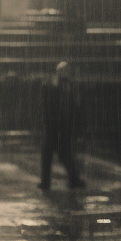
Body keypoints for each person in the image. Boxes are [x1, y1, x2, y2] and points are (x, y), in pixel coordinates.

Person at [39, 60, 84, 190]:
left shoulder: (64, 85)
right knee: (58, 154)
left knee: (56, 154)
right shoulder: (59, 85)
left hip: (60, 125)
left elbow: (72, 106)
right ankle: (70, 179)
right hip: (57, 124)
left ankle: (50, 182)